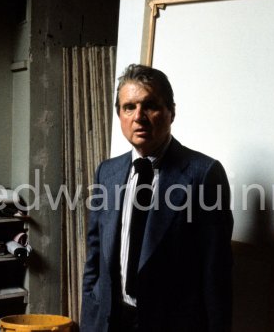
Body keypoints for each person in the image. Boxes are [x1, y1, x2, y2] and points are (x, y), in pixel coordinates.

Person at [80, 64, 233, 332]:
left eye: (149, 105)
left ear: (171, 112)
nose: (139, 117)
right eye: (129, 107)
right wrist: (89, 319)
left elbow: (215, 273)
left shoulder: (204, 174)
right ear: (119, 114)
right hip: (110, 320)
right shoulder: (107, 172)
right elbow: (95, 256)